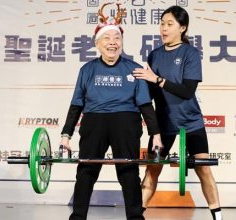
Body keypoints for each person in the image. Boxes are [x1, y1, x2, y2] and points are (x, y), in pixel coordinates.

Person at [60, 3, 162, 220]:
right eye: (107, 39)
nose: (112, 43)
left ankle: (135, 217)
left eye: (117, 39)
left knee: (128, 171)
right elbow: (76, 104)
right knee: (86, 170)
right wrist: (65, 135)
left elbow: (145, 104)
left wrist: (156, 134)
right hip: (94, 121)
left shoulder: (134, 69)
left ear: (121, 43)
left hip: (126, 121)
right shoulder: (87, 70)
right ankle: (77, 217)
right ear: (98, 43)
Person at [132, 5, 223, 220]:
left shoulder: (190, 53)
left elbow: (187, 91)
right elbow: (151, 94)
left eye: (169, 24)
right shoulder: (154, 55)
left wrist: (158, 79)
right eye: (162, 23)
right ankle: (137, 215)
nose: (164, 28)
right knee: (152, 170)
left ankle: (218, 216)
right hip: (164, 126)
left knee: (204, 169)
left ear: (182, 27)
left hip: (192, 123)